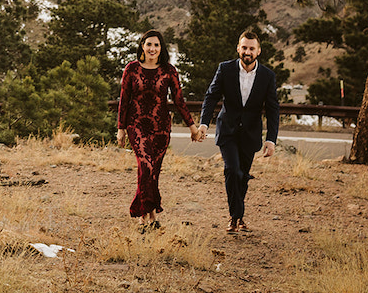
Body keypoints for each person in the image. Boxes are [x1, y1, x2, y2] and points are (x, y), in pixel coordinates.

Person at [196, 30, 281, 234]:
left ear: (258, 51)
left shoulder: (267, 76)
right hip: (227, 130)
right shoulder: (225, 69)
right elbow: (211, 96)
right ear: (238, 48)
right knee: (232, 170)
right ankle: (236, 216)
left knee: (242, 176)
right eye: (244, 48)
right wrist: (204, 124)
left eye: (251, 48)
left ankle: (237, 216)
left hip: (250, 134)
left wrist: (271, 140)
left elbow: (273, 109)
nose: (247, 52)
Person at [117, 29, 200, 232]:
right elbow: (124, 100)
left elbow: (179, 101)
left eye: (156, 45)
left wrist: (192, 126)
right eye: (149, 44)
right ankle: (142, 218)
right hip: (136, 125)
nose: (152, 48)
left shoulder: (169, 70)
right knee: (145, 167)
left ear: (161, 48)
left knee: (153, 172)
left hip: (161, 127)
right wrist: (120, 129)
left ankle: (151, 214)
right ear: (142, 47)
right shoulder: (131, 69)